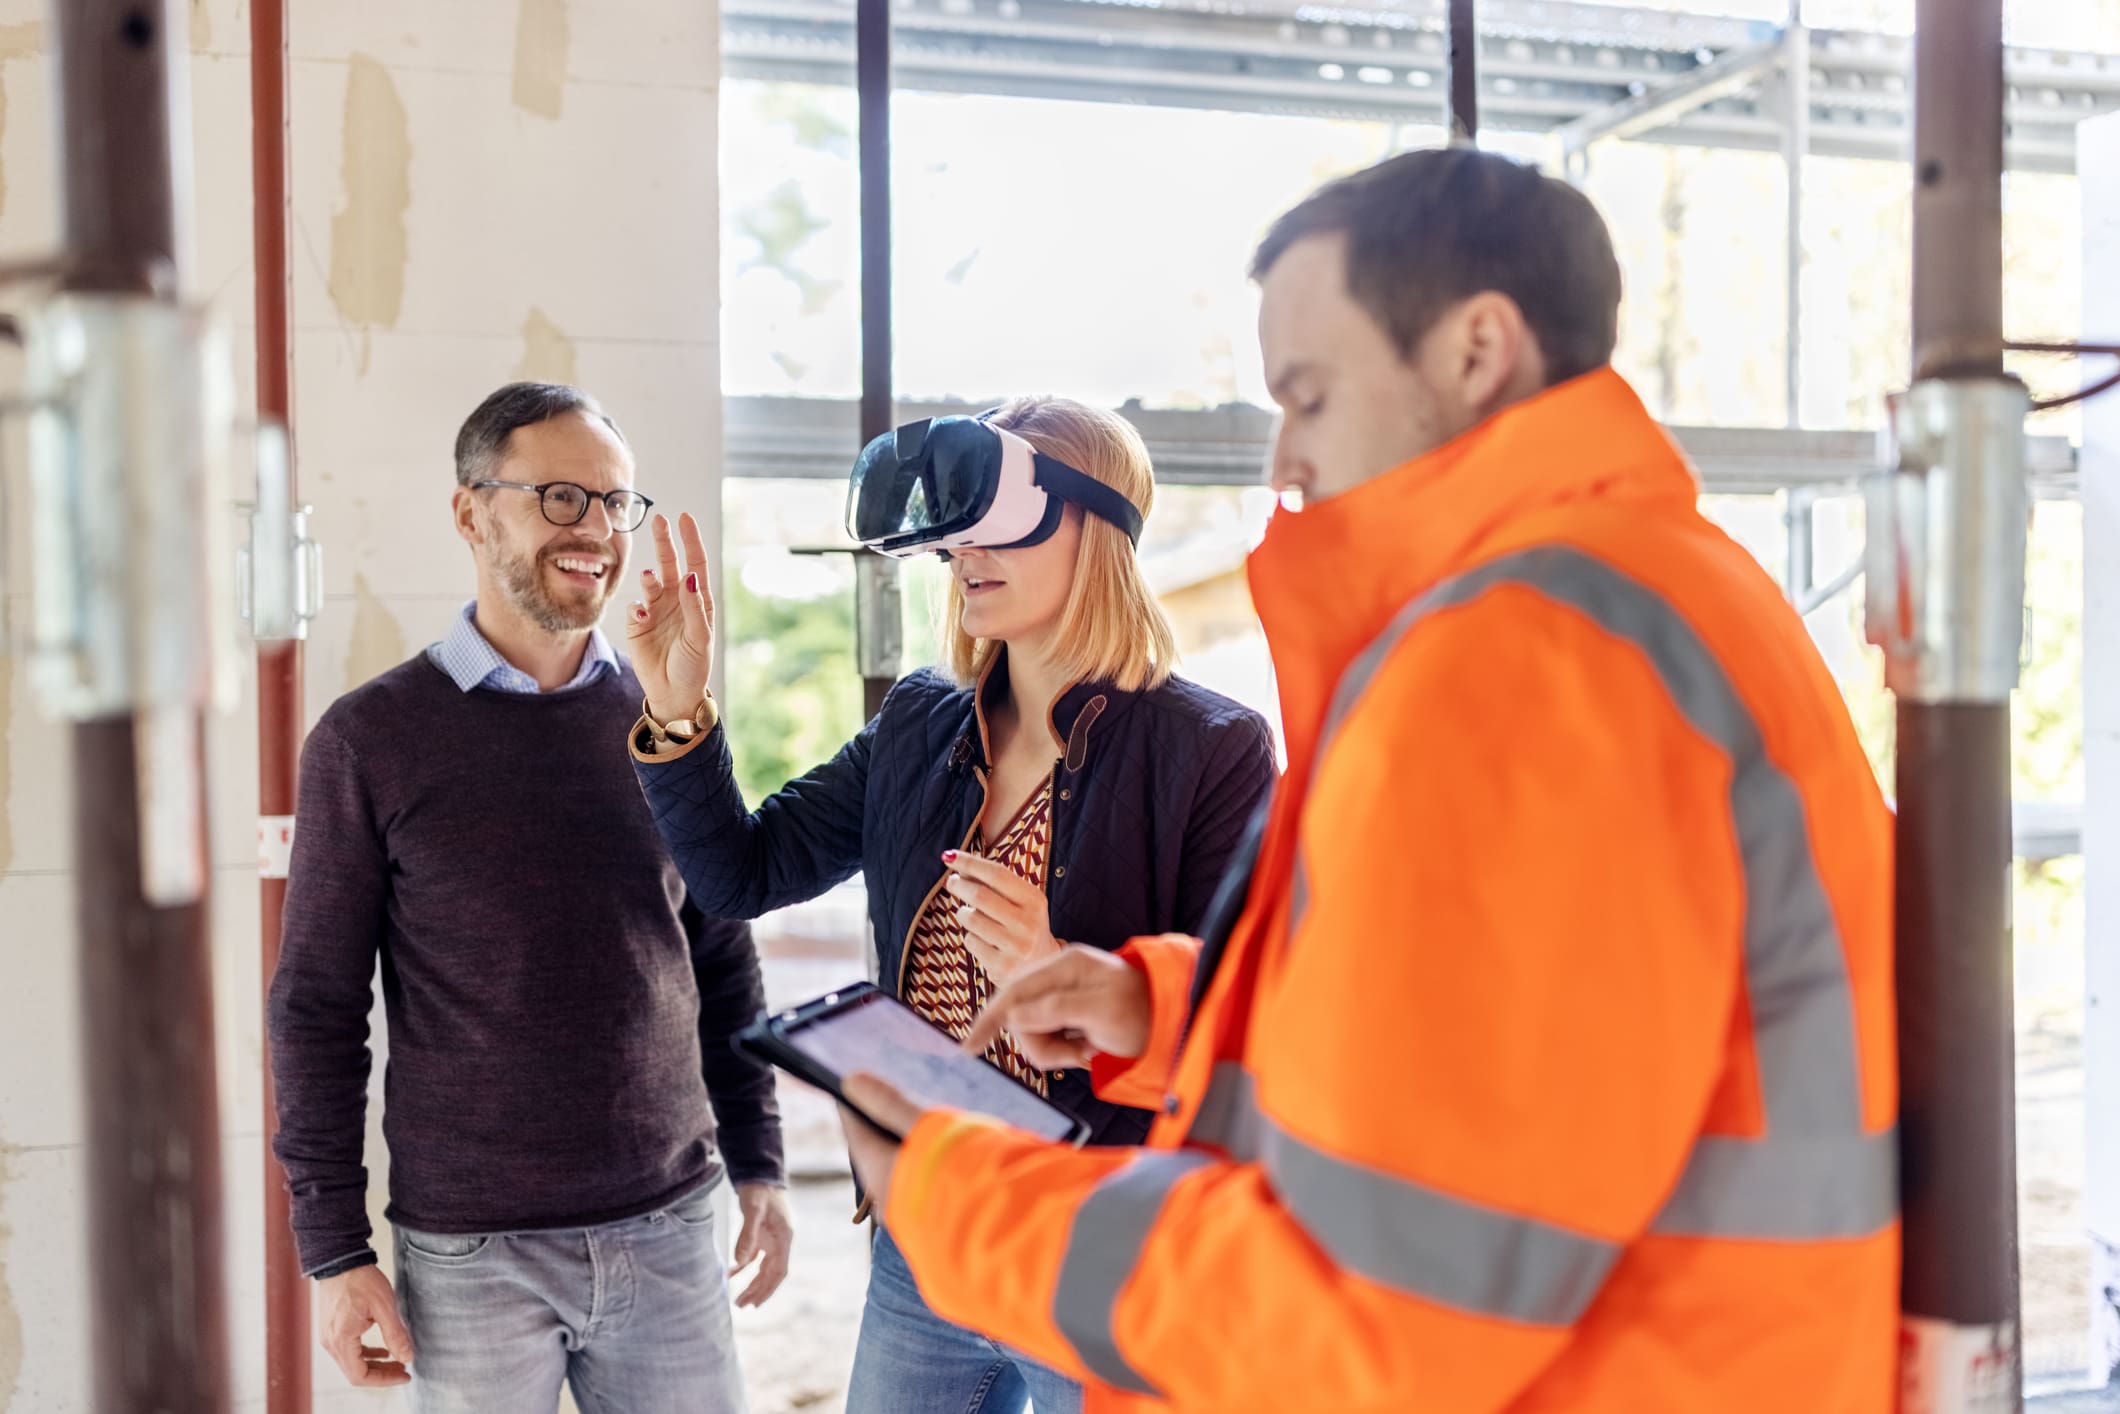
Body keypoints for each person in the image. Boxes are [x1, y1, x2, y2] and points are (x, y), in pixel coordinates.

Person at [834, 147, 1899, 1413]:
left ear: (1475, 349)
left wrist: (950, 1191)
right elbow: (1529, 1045)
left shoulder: (1517, 658)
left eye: (1309, 395)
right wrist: (1163, 1012)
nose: (1281, 458)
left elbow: (1370, 1305)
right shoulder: (1657, 593)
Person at [624, 395, 1278, 1414]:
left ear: (1097, 526)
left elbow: (1242, 1028)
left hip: (1094, 1247)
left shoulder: (1212, 749)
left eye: (998, 517)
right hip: (925, 1234)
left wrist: (1068, 969)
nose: (964, 550)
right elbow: (740, 874)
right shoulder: (918, 721)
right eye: (954, 525)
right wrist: (677, 711)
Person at [268, 382, 792, 1414]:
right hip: (472, 1254)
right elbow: (316, 1007)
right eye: (560, 497)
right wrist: (334, 1251)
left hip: (670, 1225)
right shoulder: (368, 741)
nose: (596, 528)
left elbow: (720, 954)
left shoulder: (666, 718)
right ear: (471, 513)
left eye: (615, 502)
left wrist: (760, 1161)